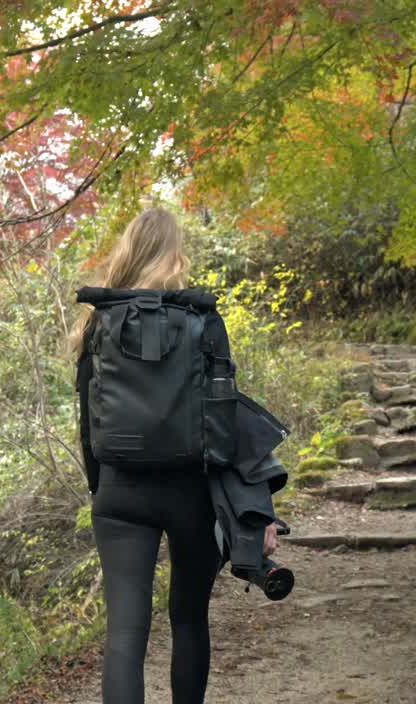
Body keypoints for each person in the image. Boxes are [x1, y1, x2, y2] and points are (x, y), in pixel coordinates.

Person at [68, 207, 279, 704]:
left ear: (128, 252)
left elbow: (86, 422)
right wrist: (249, 503)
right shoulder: (204, 321)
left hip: (120, 491)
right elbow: (223, 421)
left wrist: (102, 488)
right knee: (187, 618)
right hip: (192, 491)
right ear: (175, 254)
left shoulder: (98, 323)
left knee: (125, 634)